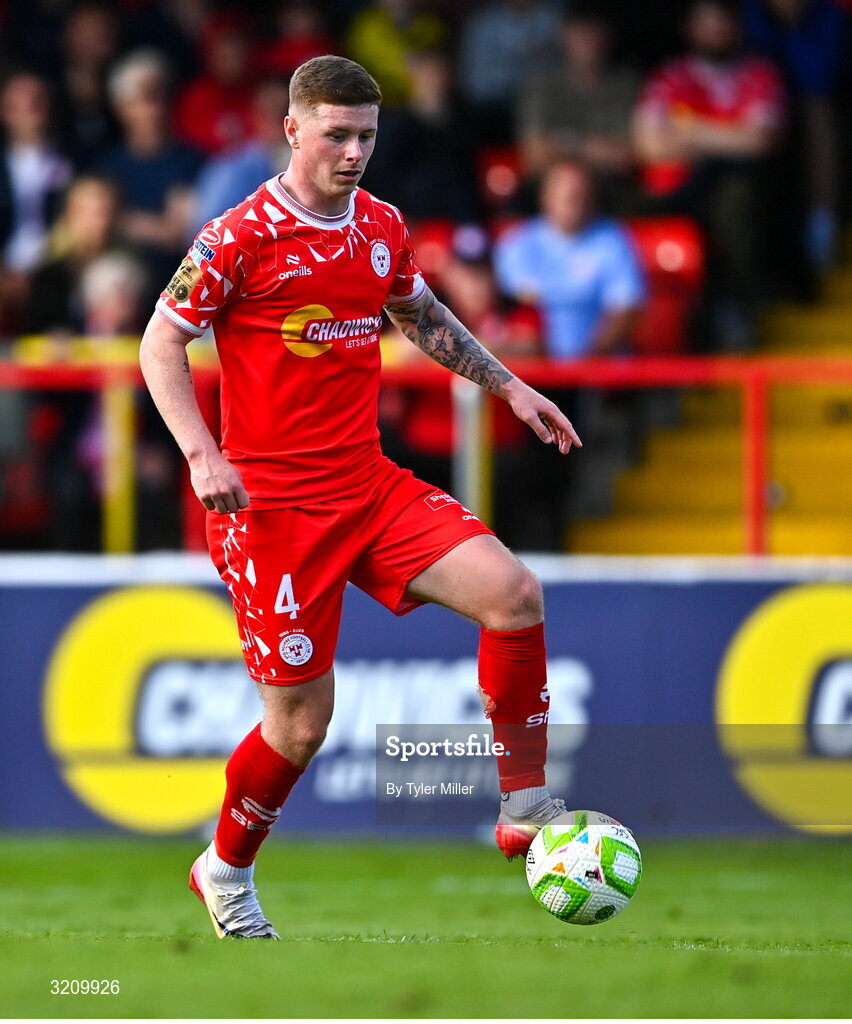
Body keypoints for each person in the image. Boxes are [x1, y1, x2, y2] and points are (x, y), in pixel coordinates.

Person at [140, 55, 581, 940]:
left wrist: (509, 387)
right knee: (302, 726)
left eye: (366, 136)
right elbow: (160, 344)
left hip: (368, 485)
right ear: (293, 129)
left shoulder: (378, 225)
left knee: (514, 595)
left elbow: (419, 314)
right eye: (336, 135)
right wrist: (200, 454)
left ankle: (525, 810)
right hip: (272, 512)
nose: (352, 153)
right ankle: (224, 868)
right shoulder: (237, 236)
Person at [632, 0, 785, 348]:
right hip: (677, 191)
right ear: (689, 29)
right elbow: (647, 146)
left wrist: (688, 130)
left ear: (738, 28)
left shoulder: (760, 73)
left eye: (722, 23)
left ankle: (739, 309)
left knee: (737, 201)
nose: (715, 31)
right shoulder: (670, 76)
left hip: (737, 192)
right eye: (706, 23)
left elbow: (761, 141)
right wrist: (729, 132)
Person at [494, 159, 645, 358]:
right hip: (531, 370)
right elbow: (506, 308)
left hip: (600, 367)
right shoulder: (517, 244)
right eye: (568, 196)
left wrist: (588, 364)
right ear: (546, 197)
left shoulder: (613, 241)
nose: (576, 203)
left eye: (582, 196)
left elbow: (625, 307)